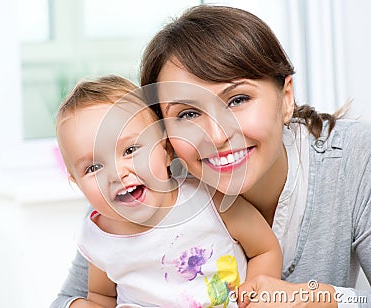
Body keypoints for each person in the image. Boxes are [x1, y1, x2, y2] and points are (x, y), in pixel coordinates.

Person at [51, 5, 371, 307]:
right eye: (188, 114)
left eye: (238, 99)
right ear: (163, 137)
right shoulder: (141, 189)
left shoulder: (355, 159)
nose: (217, 135)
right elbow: (73, 298)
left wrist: (321, 299)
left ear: (286, 98)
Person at [54, 75, 282, 307]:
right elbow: (102, 297)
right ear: (76, 183)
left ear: (166, 150)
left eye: (130, 149)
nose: (116, 174)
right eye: (93, 167)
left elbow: (265, 250)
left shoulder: (210, 202)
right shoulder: (99, 238)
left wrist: (255, 298)